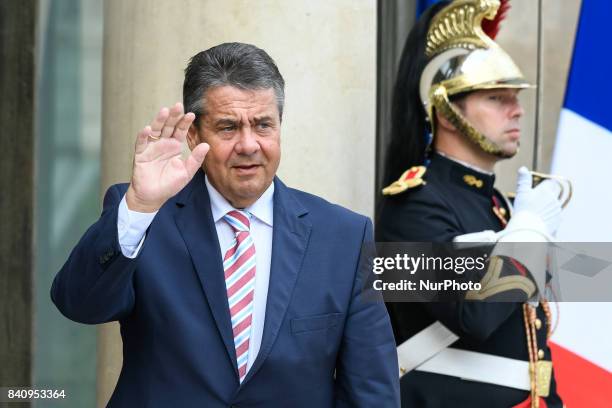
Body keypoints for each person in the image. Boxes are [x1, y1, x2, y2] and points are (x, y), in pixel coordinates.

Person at [52, 42, 399, 408]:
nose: (248, 145)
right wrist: (139, 206)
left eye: (263, 125)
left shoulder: (344, 236)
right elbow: (78, 304)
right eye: (228, 127)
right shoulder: (144, 213)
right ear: (194, 136)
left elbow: (371, 389)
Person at [377, 1, 564, 407]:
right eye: (497, 98)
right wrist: (529, 229)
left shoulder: (499, 205)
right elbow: (475, 316)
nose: (516, 110)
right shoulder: (415, 206)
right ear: (446, 112)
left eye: (515, 96)